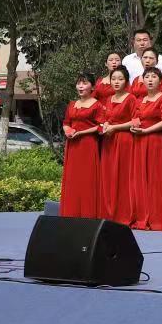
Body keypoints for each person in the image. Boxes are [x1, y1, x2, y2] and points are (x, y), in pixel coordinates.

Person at [130, 67, 162, 230]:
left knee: (156, 178)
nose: (150, 79)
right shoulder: (139, 100)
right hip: (140, 141)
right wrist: (134, 126)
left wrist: (146, 130)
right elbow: (135, 118)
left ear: (160, 81)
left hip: (156, 141)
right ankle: (142, 215)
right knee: (141, 178)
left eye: (153, 77)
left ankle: (157, 217)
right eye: (147, 77)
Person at [59, 74, 104, 218]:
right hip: (72, 145)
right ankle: (71, 212)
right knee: (72, 179)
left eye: (84, 83)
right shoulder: (72, 104)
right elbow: (66, 122)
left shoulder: (97, 105)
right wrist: (67, 130)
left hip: (88, 144)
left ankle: (87, 214)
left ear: (92, 87)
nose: (80, 86)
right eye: (78, 83)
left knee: (87, 179)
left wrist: (81, 133)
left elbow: (101, 126)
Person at [98, 66, 137, 224]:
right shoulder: (109, 99)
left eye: (120, 79)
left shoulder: (131, 98)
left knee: (123, 176)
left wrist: (115, 127)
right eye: (113, 79)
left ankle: (124, 213)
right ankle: (109, 212)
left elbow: (135, 121)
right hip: (109, 141)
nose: (116, 82)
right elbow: (106, 118)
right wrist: (107, 124)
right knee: (109, 176)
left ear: (126, 82)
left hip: (124, 141)